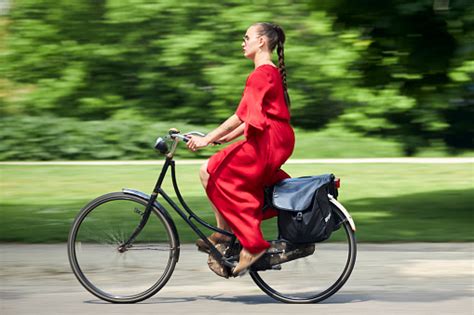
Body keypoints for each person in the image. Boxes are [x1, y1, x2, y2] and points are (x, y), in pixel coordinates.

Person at [186, 22, 295, 276]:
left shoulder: (261, 74)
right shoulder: (267, 72)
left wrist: (207, 138)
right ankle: (223, 234)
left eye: (247, 37)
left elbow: (239, 116)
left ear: (262, 42)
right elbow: (250, 117)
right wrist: (220, 139)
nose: (242, 42)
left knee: (223, 177)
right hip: (271, 137)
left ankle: (252, 243)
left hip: (269, 140)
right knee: (208, 170)